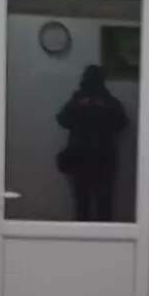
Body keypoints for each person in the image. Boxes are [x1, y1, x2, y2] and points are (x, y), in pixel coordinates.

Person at [55, 64, 128, 222]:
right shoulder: (88, 100)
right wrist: (80, 106)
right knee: (95, 204)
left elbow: (121, 123)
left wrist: (102, 108)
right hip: (92, 158)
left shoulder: (105, 101)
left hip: (94, 157)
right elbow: (62, 120)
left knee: (91, 204)